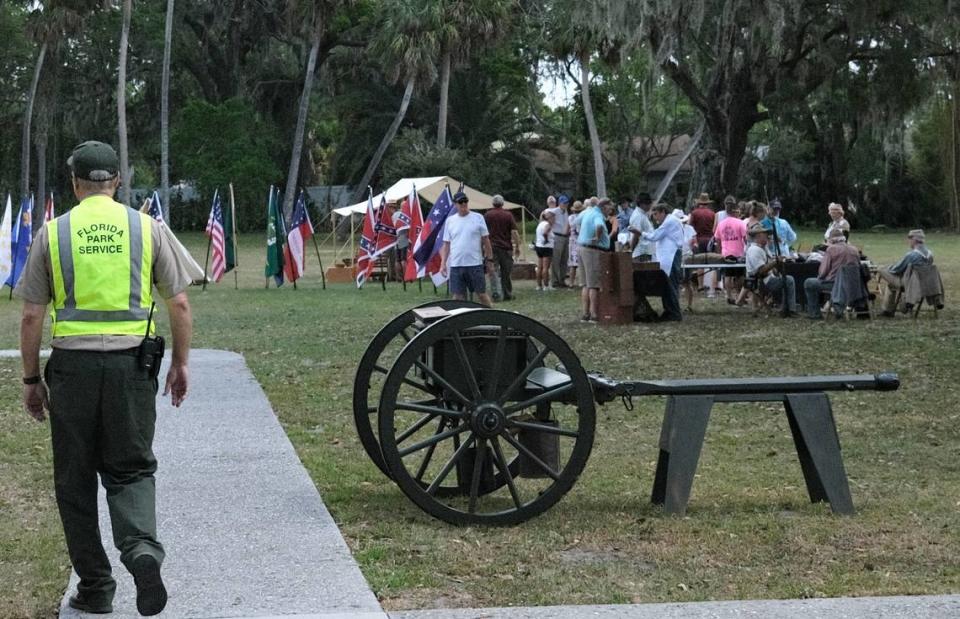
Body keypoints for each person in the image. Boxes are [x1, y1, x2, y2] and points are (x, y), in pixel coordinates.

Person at [16, 141, 192, 616]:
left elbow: (33, 316)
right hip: (132, 369)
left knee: (74, 481)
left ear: (75, 184)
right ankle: (142, 553)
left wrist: (32, 379)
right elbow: (178, 303)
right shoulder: (146, 227)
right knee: (131, 467)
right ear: (117, 181)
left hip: (72, 371)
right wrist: (179, 363)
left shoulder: (53, 233)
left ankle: (95, 587)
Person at [440, 191, 494, 306]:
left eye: (465, 201)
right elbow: (446, 244)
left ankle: (493, 317)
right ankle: (460, 321)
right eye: (460, 202)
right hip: (456, 265)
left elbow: (486, 240)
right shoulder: (450, 221)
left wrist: (489, 259)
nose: (464, 204)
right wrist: (443, 263)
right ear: (455, 204)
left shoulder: (478, 217)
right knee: (458, 297)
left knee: (481, 294)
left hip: (475, 264)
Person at [804, 227, 862, 319]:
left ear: (831, 240)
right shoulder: (854, 249)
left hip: (834, 284)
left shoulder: (831, 250)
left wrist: (820, 277)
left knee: (809, 282)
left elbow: (823, 272)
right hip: (853, 285)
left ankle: (814, 313)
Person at [642, 204, 685, 321]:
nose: (655, 218)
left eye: (656, 214)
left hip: (671, 257)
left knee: (670, 286)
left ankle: (674, 313)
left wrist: (640, 233)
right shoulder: (670, 221)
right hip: (668, 258)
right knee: (667, 285)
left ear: (662, 212)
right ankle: (669, 311)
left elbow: (654, 236)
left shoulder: (669, 222)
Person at [879, 229, 934, 317]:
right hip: (925, 283)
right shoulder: (930, 254)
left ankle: (890, 309)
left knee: (881, 270)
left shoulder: (912, 255)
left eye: (910, 239)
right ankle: (888, 309)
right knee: (890, 286)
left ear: (914, 240)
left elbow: (896, 269)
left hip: (909, 283)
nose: (909, 241)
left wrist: (888, 267)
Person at [745, 223, 797, 315]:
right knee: (789, 280)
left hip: (767, 278)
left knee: (786, 277)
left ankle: (786, 307)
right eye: (765, 235)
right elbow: (761, 270)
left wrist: (776, 265)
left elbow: (769, 263)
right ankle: (789, 309)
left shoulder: (763, 248)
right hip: (761, 281)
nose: (767, 237)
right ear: (758, 236)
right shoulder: (754, 250)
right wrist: (776, 262)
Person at [576, 197, 610, 322]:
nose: (610, 211)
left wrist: (584, 231)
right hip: (592, 250)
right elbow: (600, 226)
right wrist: (596, 236)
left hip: (581, 248)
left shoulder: (587, 212)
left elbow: (576, 221)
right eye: (609, 208)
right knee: (594, 285)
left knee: (585, 284)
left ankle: (585, 314)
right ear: (604, 207)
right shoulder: (598, 215)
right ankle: (594, 315)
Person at [483, 193, 520, 301]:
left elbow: (483, 232)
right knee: (506, 272)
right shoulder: (508, 215)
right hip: (505, 248)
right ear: (502, 203)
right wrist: (517, 246)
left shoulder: (487, 215)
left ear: (493, 204)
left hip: (492, 247)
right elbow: (514, 232)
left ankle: (496, 294)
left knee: (493, 271)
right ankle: (507, 294)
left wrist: (483, 247)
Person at [713, 200, 747, 304]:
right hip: (738, 253)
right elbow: (745, 238)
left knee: (727, 275)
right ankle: (738, 295)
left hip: (726, 253)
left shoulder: (721, 224)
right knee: (740, 276)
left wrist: (720, 253)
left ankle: (728, 296)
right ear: (735, 211)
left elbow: (717, 239)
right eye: (738, 211)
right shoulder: (740, 223)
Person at [548, 195, 571, 287]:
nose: (566, 204)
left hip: (566, 236)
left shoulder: (565, 211)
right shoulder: (555, 210)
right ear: (560, 203)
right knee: (556, 259)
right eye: (564, 203)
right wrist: (550, 222)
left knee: (564, 259)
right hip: (557, 236)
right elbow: (546, 214)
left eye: (567, 203)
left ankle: (562, 279)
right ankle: (554, 280)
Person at [628, 192, 655, 262]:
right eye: (648, 204)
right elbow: (635, 235)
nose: (650, 206)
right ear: (642, 204)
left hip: (646, 252)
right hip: (641, 252)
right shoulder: (638, 216)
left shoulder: (643, 215)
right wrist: (631, 250)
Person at [534, 210, 555, 291]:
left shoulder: (540, 224)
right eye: (553, 218)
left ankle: (539, 285)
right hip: (546, 247)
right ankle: (546, 286)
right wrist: (546, 240)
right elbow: (545, 233)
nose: (554, 220)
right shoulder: (548, 225)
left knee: (540, 267)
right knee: (546, 267)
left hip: (539, 246)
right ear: (549, 218)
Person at [567, 200, 584, 287]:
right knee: (582, 264)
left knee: (572, 265)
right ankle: (582, 282)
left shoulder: (570, 218)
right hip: (581, 241)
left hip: (572, 241)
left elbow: (567, 229)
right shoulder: (583, 217)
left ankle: (571, 283)